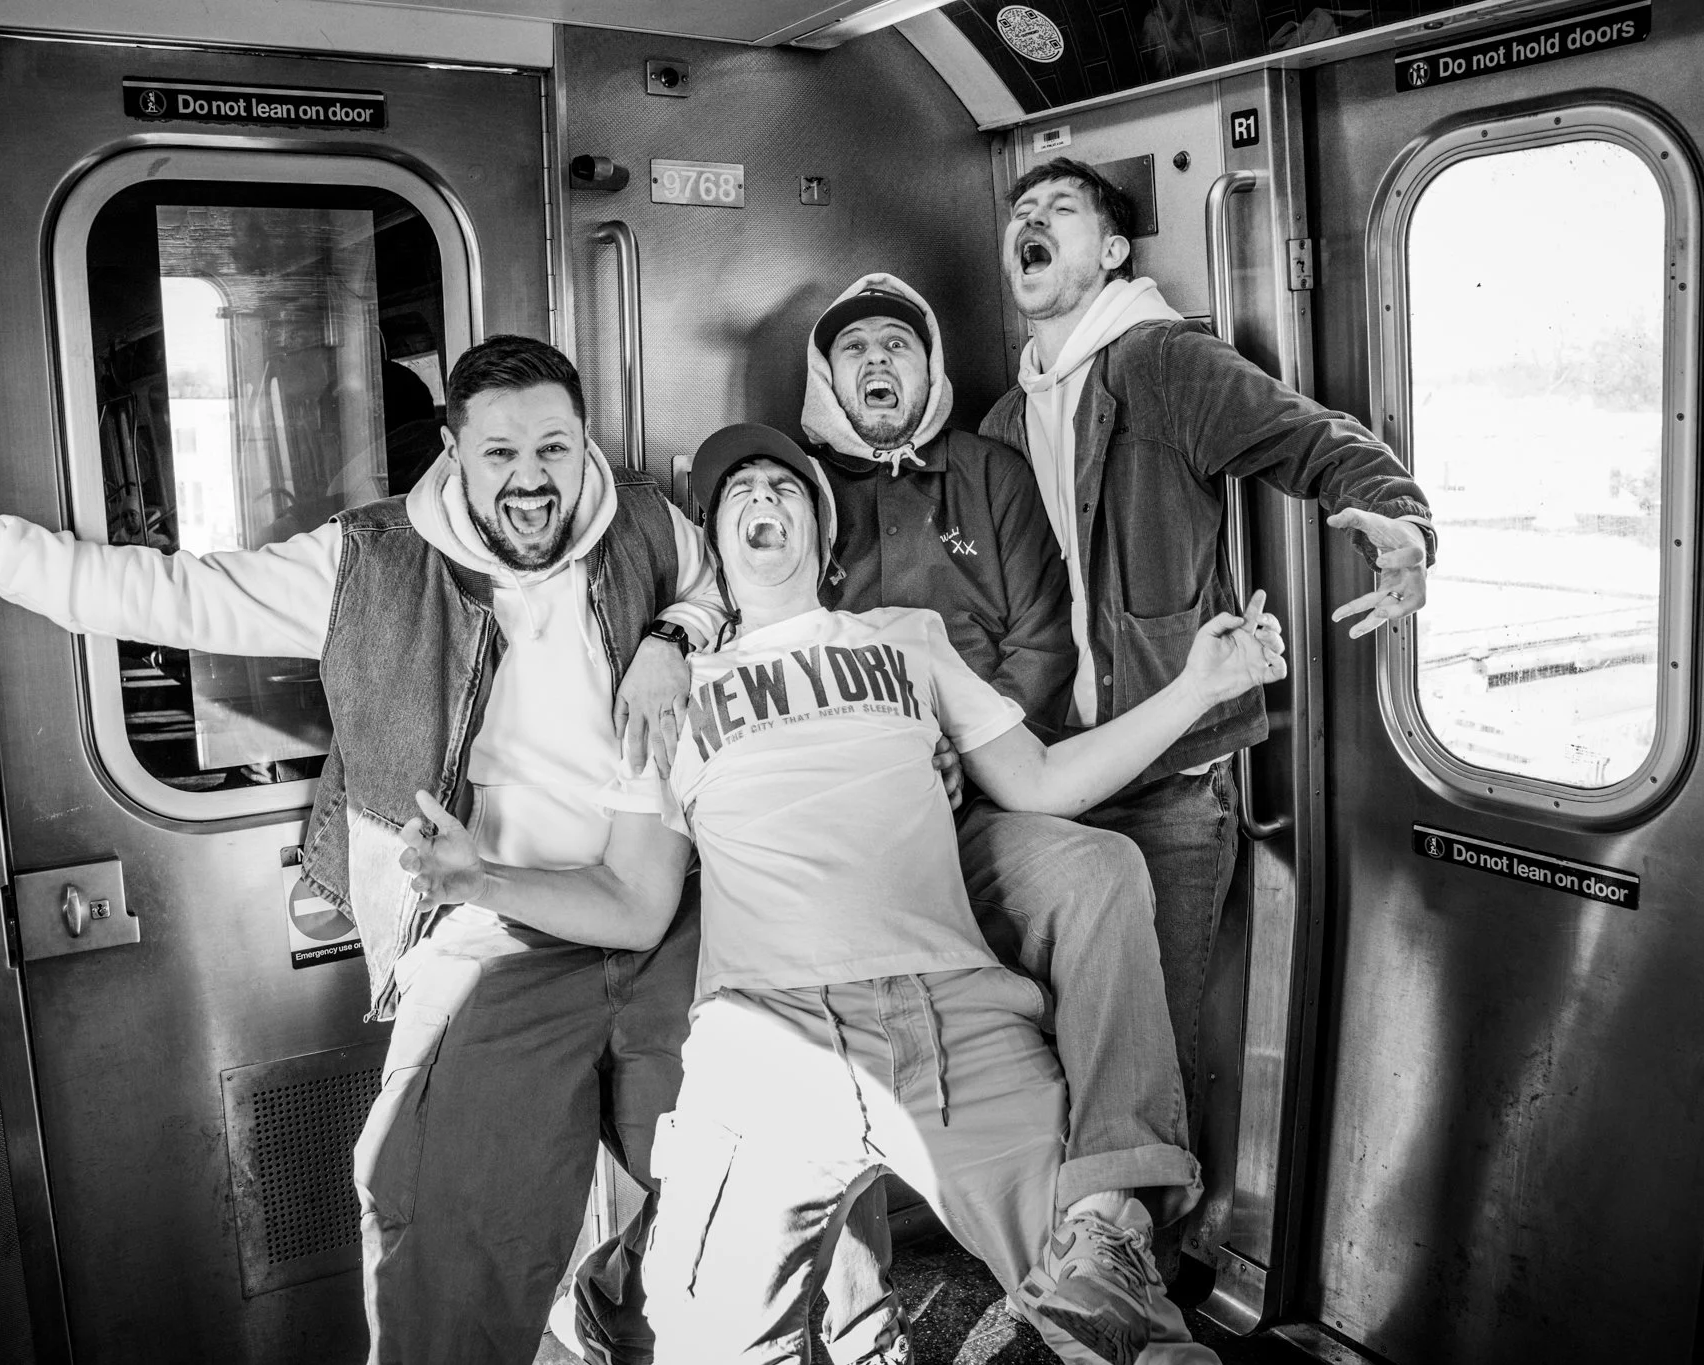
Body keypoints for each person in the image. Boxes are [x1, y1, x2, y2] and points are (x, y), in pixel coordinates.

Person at [0, 336, 722, 1365]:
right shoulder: (368, 560)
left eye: (554, 447)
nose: (532, 479)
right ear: (452, 451)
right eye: (500, 453)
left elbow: (722, 590)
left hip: (656, 905)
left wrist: (674, 635)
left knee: (742, 1168)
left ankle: (622, 1310)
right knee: (442, 1226)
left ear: (585, 443)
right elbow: (171, 593)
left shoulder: (647, 524)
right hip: (486, 926)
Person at [400, 426, 1287, 1364]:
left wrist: (1199, 688)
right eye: (738, 493)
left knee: (1126, 1332)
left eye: (784, 487)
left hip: (954, 1024)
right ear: (717, 550)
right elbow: (632, 900)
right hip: (765, 1045)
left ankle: (1114, 1227)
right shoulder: (672, 696)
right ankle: (636, 1294)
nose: (761, 499)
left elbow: (1044, 783)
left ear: (823, 538)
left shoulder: (908, 638)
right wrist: (479, 878)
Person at [983, 156, 1435, 1151]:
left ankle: (1157, 1244)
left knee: (1147, 1078)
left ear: (1111, 251)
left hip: (1168, 790)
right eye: (1021, 209)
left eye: (1059, 207)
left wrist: (1400, 523)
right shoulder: (1004, 423)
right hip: (1048, 784)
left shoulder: (1159, 363)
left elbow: (1314, 440)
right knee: (1050, 1056)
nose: (1031, 217)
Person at [798, 275, 1206, 1333]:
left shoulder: (990, 473)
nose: (877, 362)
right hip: (851, 828)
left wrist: (964, 753)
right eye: (854, 349)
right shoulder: (794, 492)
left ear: (930, 369)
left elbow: (1039, 642)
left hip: (981, 794)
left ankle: (1115, 1216)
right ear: (825, 378)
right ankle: (845, 1304)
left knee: (1100, 869)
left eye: (898, 345)